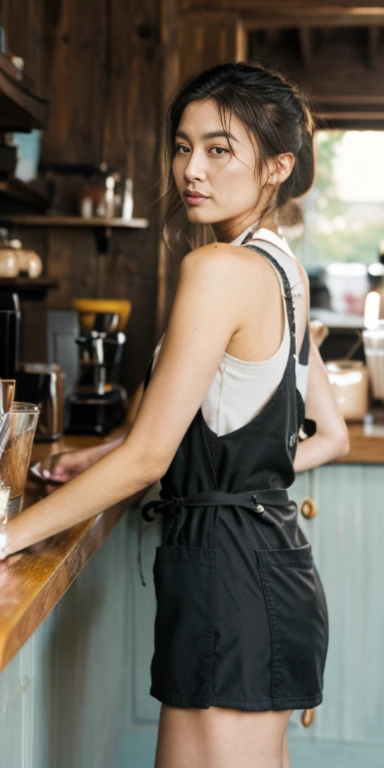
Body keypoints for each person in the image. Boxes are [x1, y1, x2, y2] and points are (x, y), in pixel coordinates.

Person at [1, 61, 349, 768]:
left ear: (278, 166)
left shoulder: (219, 270)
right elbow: (323, 435)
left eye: (220, 149)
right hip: (258, 564)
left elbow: (150, 458)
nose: (192, 167)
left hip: (230, 578)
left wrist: (6, 537)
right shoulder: (281, 268)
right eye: (183, 145)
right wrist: (106, 457)